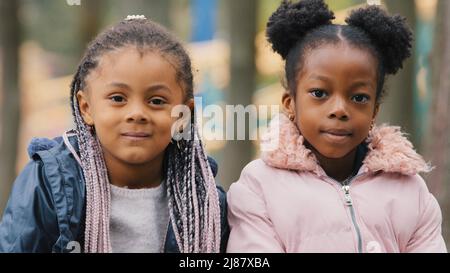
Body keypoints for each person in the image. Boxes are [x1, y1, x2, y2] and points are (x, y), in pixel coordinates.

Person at [226, 0, 446, 253]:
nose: (340, 109)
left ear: (374, 111)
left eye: (359, 97)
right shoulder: (259, 186)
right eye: (319, 93)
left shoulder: (410, 190)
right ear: (290, 103)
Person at [0, 15, 229, 253]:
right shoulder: (51, 184)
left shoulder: (205, 203)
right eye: (118, 98)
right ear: (86, 107)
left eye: (157, 101)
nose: (137, 113)